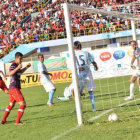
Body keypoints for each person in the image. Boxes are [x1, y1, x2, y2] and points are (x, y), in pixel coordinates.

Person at [1, 52, 31, 125]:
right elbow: (10, 73)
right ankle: (17, 122)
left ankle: (3, 120)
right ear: (16, 58)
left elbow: (19, 72)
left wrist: (26, 67)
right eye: (20, 59)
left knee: (11, 105)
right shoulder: (14, 65)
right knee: (23, 104)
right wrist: (18, 67)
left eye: (22, 59)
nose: (21, 60)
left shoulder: (16, 65)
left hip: (13, 88)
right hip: (14, 88)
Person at [74, 41, 98, 112]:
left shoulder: (74, 54)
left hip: (80, 74)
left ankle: (78, 108)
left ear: (74, 48)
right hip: (88, 73)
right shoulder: (86, 53)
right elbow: (93, 61)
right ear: (81, 46)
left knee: (78, 91)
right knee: (90, 90)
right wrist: (96, 66)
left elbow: (74, 64)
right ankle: (93, 107)